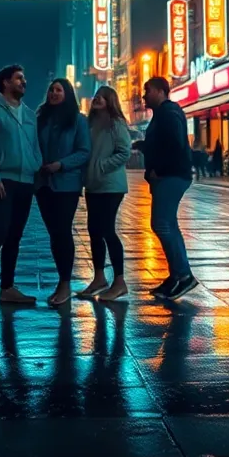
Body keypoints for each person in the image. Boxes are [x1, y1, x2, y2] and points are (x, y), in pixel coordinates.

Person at [0, 64, 44, 314]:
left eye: (24, 78)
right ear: (5, 83)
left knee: (14, 236)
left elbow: (35, 145)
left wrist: (36, 166)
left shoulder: (29, 114)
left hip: (25, 181)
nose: (24, 82)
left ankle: (7, 288)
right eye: (18, 78)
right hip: (1, 180)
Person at [136, 77, 197, 300]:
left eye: (148, 90)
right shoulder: (164, 113)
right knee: (168, 224)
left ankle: (183, 275)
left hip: (171, 176)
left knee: (161, 224)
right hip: (171, 175)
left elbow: (174, 144)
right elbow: (163, 144)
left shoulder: (168, 113)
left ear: (161, 91)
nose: (144, 95)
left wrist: (158, 170)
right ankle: (177, 276)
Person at [35, 78, 91, 307]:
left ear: (67, 94)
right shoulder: (41, 120)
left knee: (62, 231)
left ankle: (65, 283)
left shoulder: (78, 121)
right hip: (43, 185)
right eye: (51, 90)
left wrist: (61, 164)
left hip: (67, 184)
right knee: (54, 234)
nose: (54, 93)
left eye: (59, 90)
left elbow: (84, 151)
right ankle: (62, 280)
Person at [80, 85, 132, 301]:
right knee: (93, 230)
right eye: (96, 96)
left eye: (102, 96)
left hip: (111, 185)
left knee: (107, 230)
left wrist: (101, 165)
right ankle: (99, 278)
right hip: (93, 185)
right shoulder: (90, 124)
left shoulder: (116, 123)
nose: (98, 99)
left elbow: (124, 152)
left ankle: (119, 281)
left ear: (111, 100)